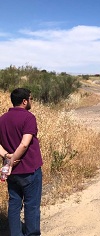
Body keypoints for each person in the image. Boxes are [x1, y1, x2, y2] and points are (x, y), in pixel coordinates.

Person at [0, 88, 43, 236]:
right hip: (29, 169)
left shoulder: (2, 119)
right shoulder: (28, 118)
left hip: (12, 173)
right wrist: (12, 161)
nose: (31, 101)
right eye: (30, 99)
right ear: (25, 101)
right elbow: (25, 144)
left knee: (14, 204)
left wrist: (6, 157)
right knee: (31, 205)